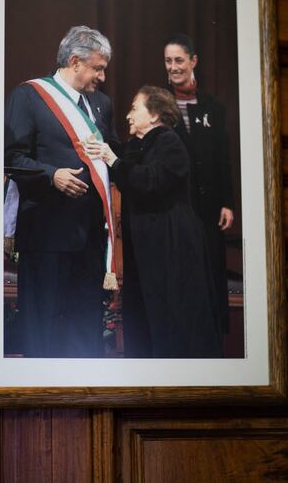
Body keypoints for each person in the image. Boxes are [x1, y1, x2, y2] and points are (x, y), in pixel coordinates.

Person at [4, 25, 118, 358]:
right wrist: (52, 175)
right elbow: (11, 157)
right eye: (98, 68)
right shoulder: (29, 96)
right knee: (44, 329)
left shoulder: (102, 105)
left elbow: (110, 155)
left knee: (85, 330)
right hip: (46, 235)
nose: (102, 76)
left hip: (90, 238)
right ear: (75, 61)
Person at [84, 86, 222, 358]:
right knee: (145, 312)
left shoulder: (169, 141)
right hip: (148, 243)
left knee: (171, 311)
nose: (128, 115)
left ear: (156, 114)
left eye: (135, 108)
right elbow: (127, 164)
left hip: (172, 243)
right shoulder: (139, 144)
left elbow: (149, 181)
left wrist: (112, 158)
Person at [164, 33, 234, 334]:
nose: (173, 67)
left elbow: (223, 159)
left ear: (193, 61)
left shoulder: (213, 107)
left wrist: (227, 202)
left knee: (210, 272)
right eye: (168, 61)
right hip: (175, 206)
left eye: (179, 60)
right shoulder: (158, 103)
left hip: (208, 207)